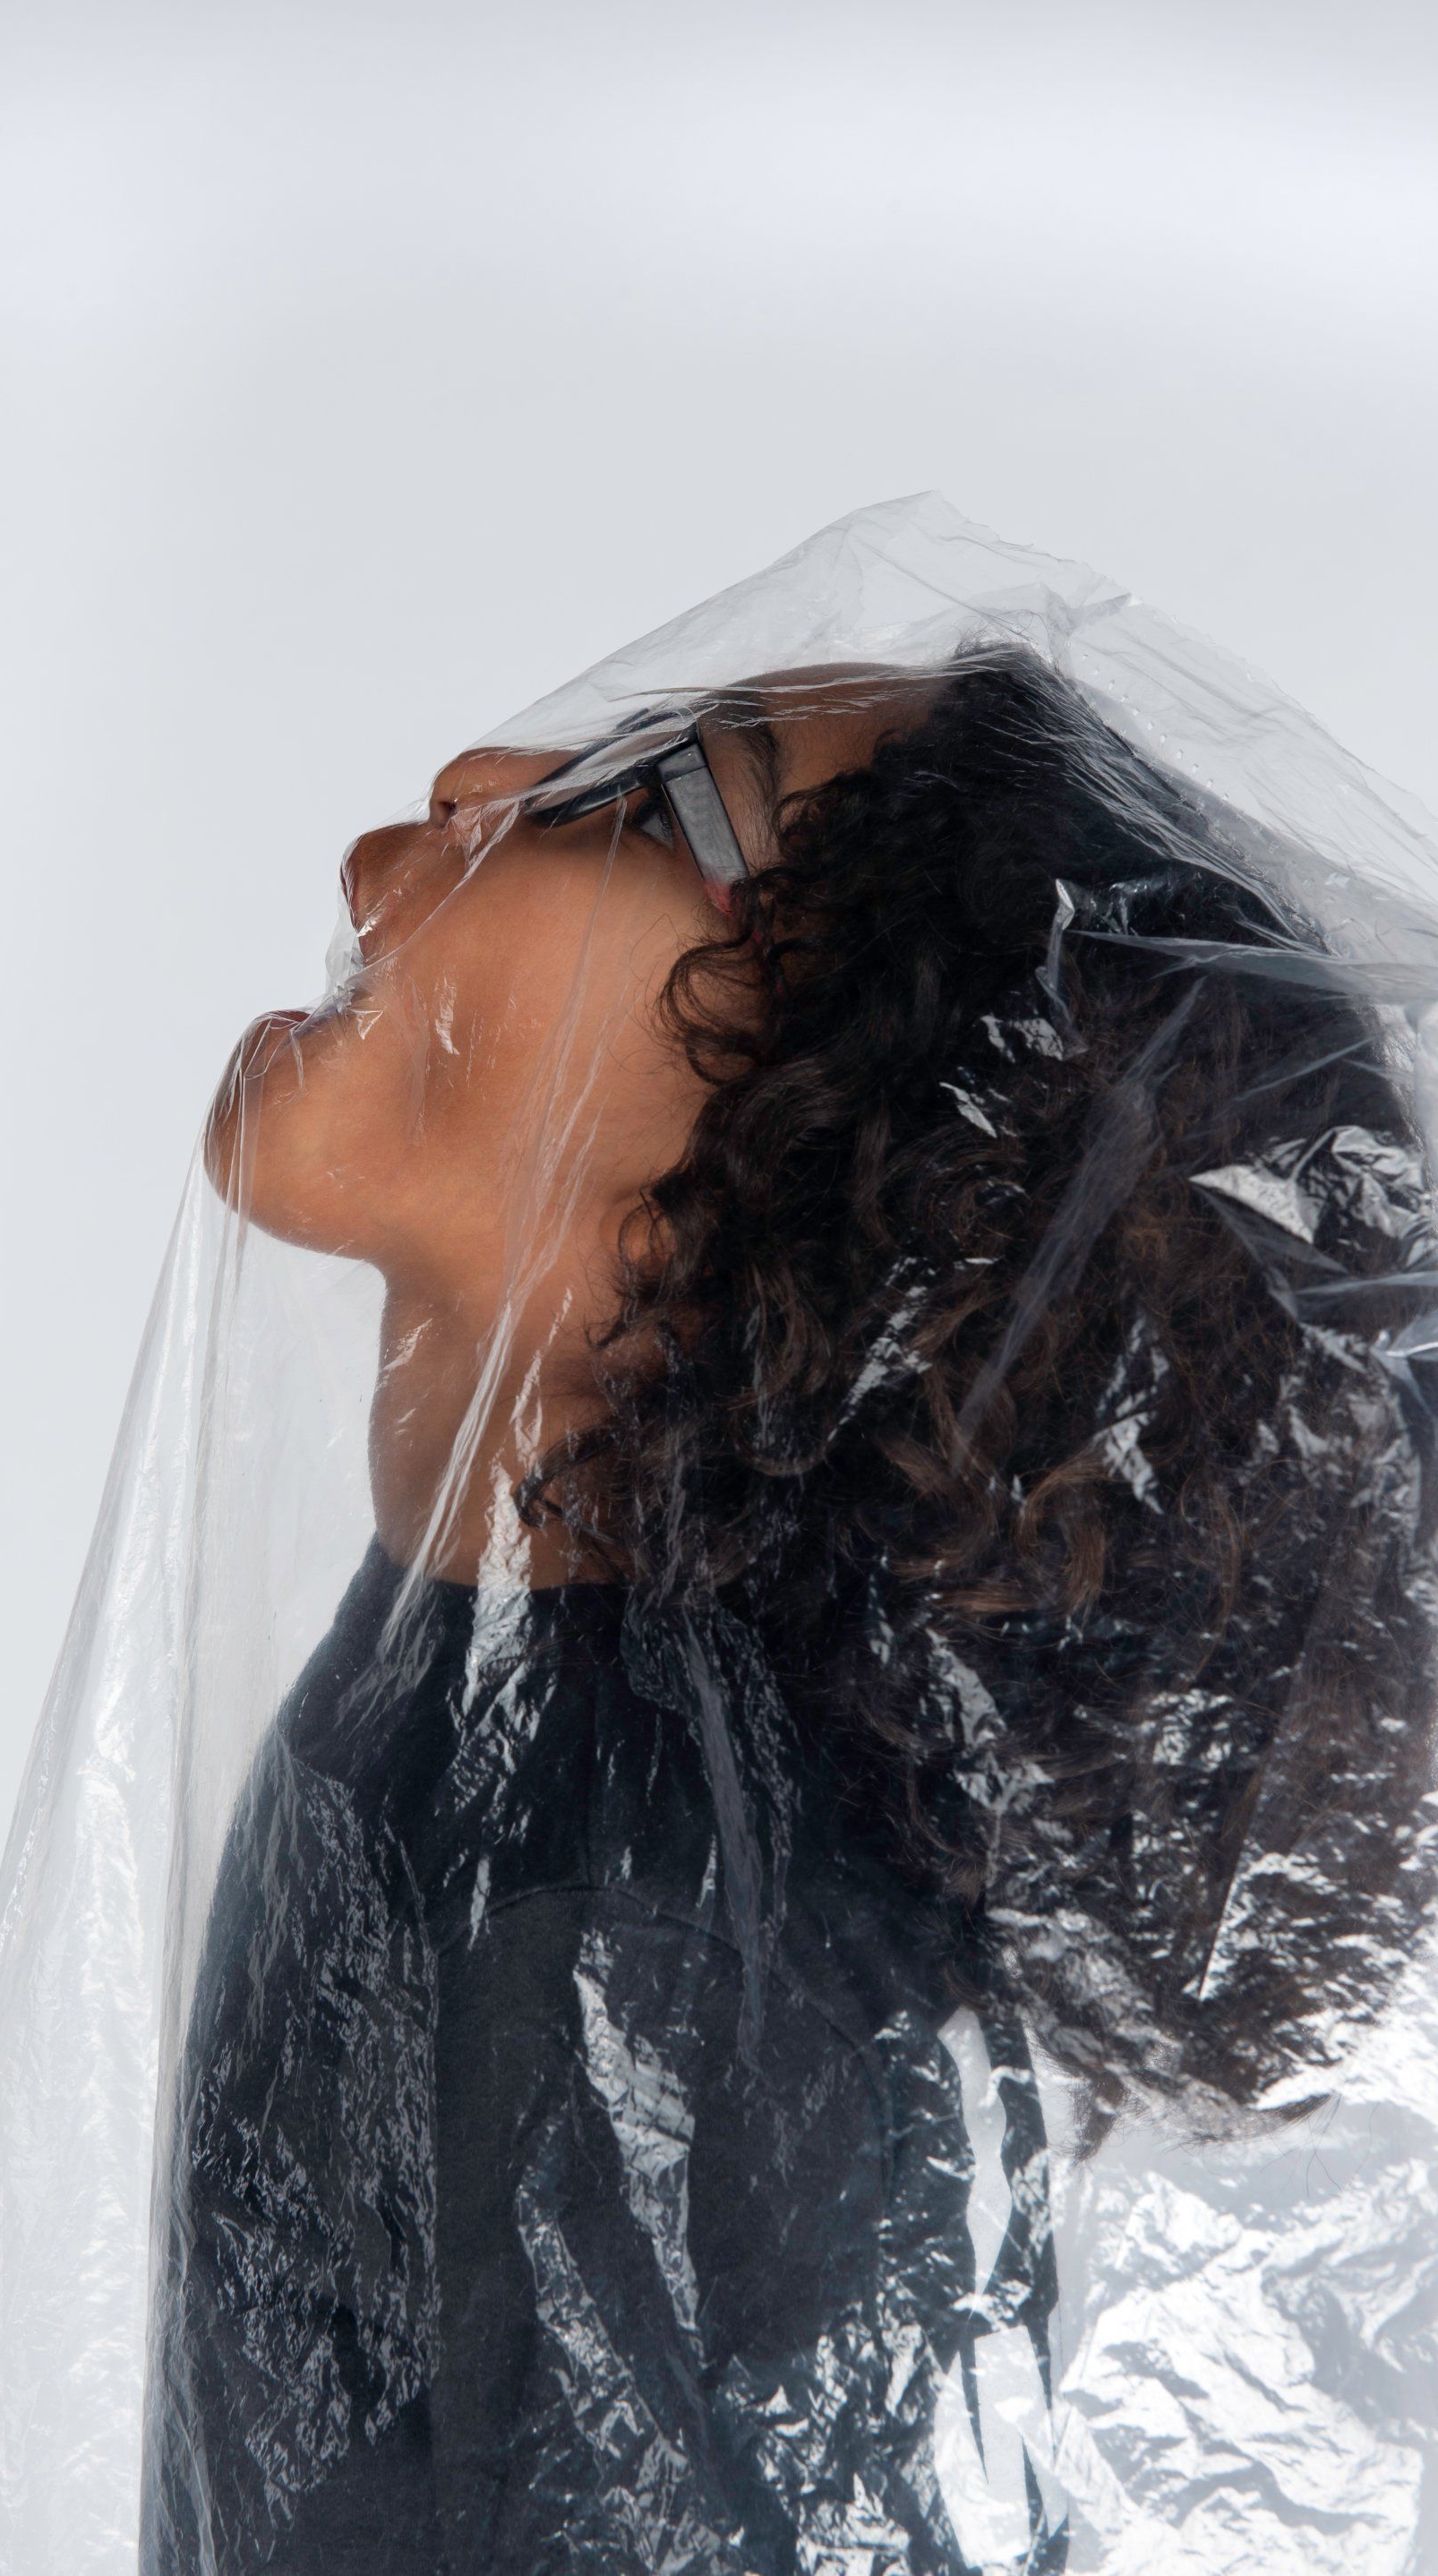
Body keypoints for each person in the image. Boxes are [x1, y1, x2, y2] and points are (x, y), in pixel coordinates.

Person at [142, 651, 1437, 2576]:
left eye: (654, 793)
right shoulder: (494, 1741)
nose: (482, 771)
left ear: (850, 1142)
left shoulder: (648, 1946)